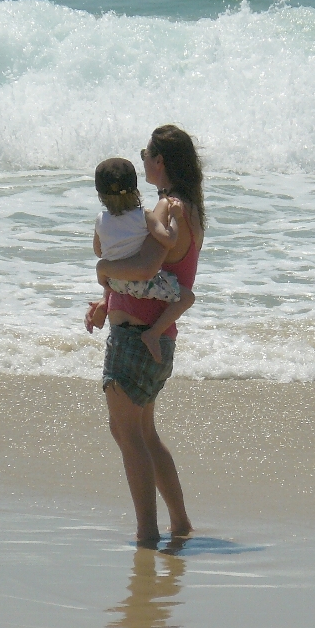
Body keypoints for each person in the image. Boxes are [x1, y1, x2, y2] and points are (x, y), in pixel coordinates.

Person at [84, 125, 205, 545]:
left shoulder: (169, 208)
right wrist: (107, 301)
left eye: (146, 153)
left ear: (160, 162)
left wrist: (102, 273)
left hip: (136, 337)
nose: (142, 159)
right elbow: (151, 272)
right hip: (154, 332)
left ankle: (146, 534)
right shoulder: (180, 207)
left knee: (128, 434)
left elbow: (142, 270)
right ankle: (180, 524)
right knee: (143, 433)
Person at [92, 157, 195, 364]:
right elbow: (170, 239)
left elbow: (99, 251)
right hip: (141, 284)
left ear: (101, 195)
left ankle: (104, 303)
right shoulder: (144, 216)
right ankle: (154, 333)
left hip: (114, 284)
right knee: (187, 298)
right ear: (135, 190)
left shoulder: (100, 219)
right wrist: (175, 216)